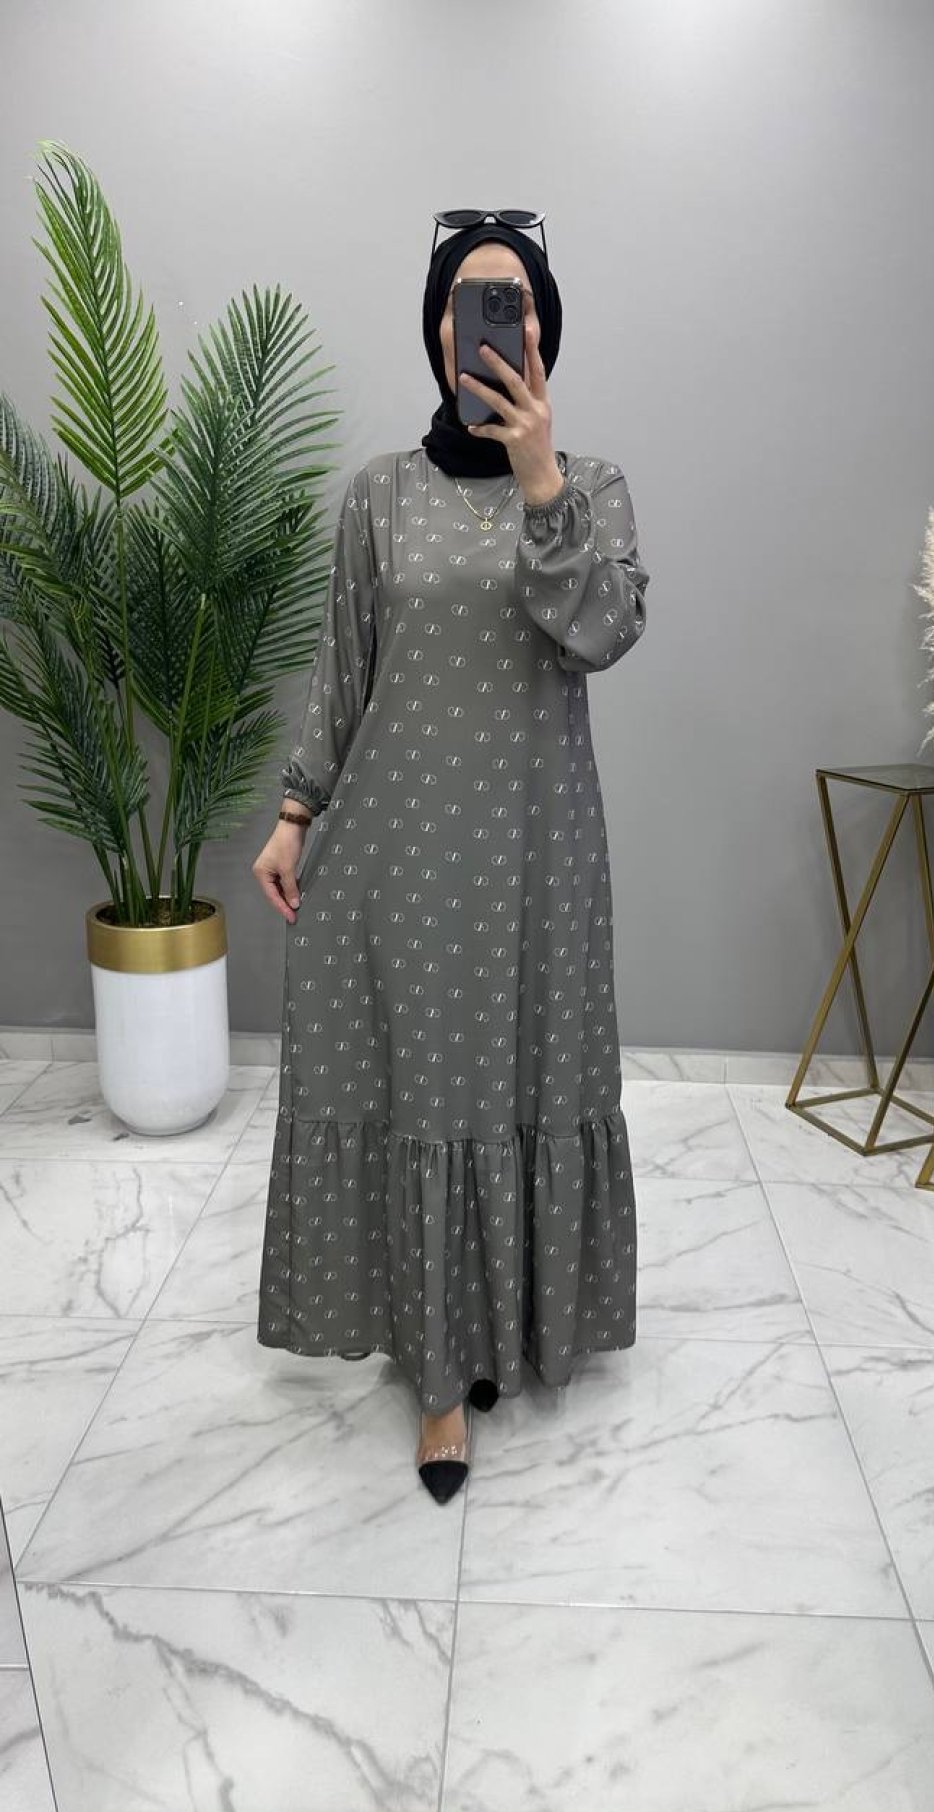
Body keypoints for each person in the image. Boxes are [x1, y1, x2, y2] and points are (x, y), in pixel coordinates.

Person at [251, 214, 650, 1505]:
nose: (491, 321)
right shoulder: (377, 494)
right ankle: (437, 1382)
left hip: (538, 856)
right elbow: (345, 666)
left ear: (544, 327)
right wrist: (297, 811)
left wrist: (539, 485)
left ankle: (517, 1322)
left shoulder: (590, 487)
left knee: (524, 1077)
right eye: (467, 300)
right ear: (436, 328)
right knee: (425, 1093)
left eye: (513, 301)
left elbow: (602, 633)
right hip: (402, 858)